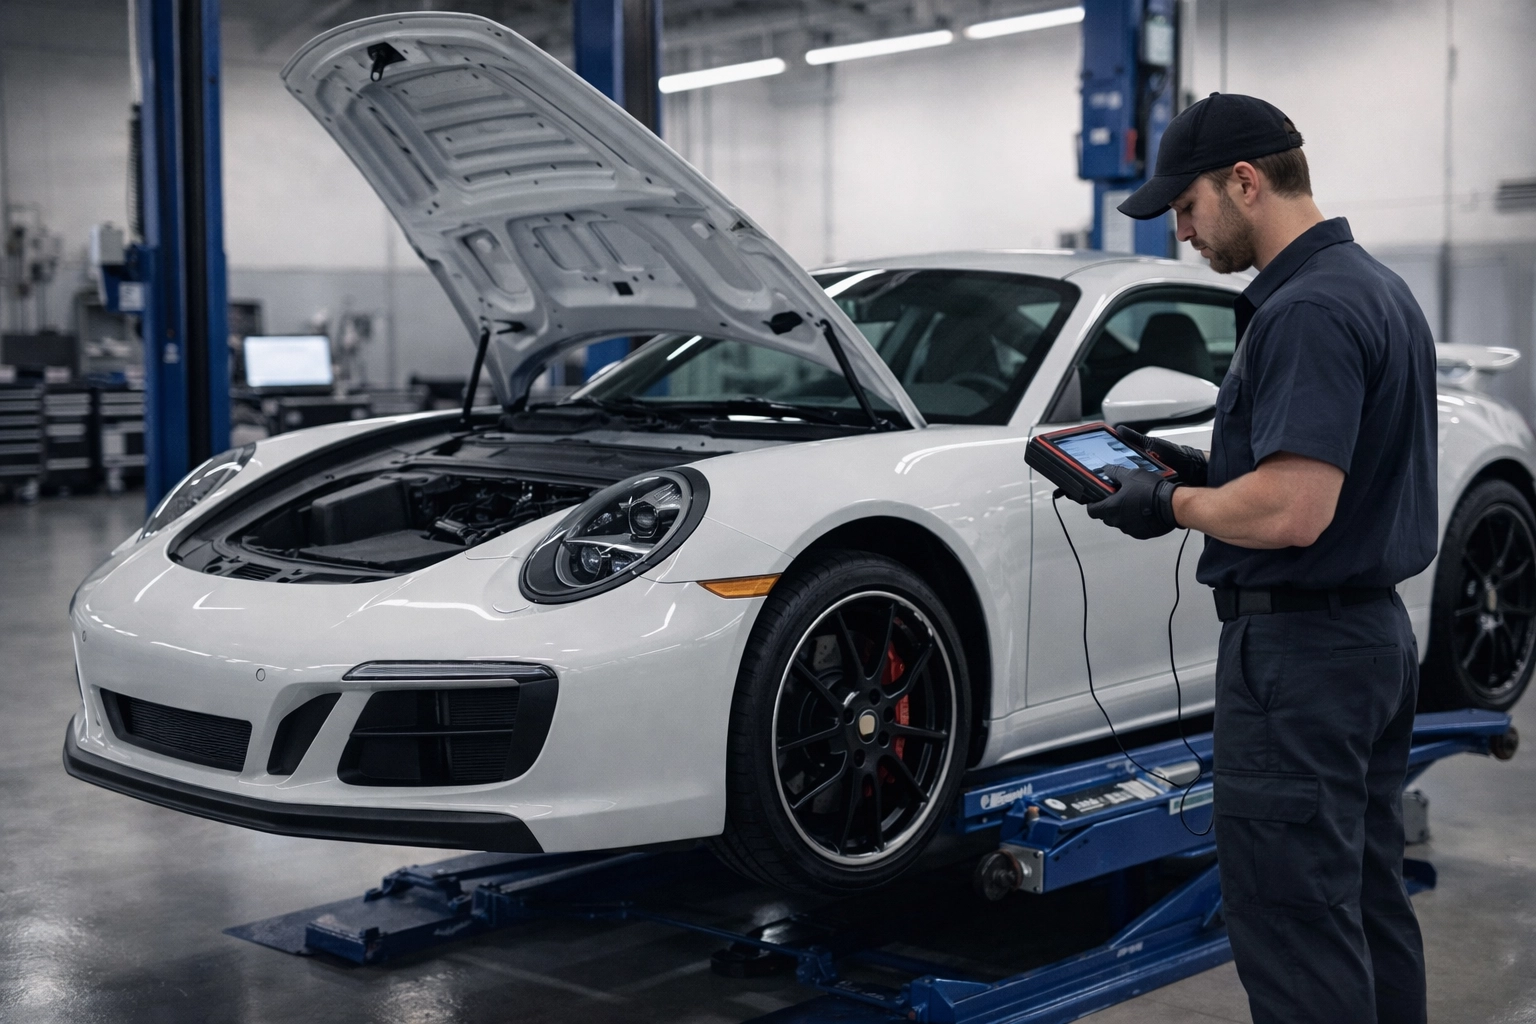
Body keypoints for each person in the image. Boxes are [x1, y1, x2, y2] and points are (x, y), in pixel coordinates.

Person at [1084, 93, 1437, 1024]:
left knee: (1293, 927)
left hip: (1302, 666)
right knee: (1363, 903)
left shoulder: (1307, 310)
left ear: (1246, 181)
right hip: (1366, 647)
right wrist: (1204, 473)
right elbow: (1313, 476)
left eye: (1188, 206)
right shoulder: (1374, 288)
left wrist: (1170, 502)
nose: (1183, 231)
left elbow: (1293, 511)